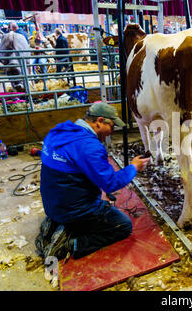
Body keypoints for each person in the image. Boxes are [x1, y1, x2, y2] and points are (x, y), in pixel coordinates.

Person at [36, 102, 150, 260]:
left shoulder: (59, 131)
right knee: (123, 226)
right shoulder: (89, 146)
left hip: (52, 205)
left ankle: (57, 223)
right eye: (111, 126)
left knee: (99, 198)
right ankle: (71, 244)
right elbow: (110, 183)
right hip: (73, 211)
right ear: (100, 121)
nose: (111, 132)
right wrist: (133, 168)